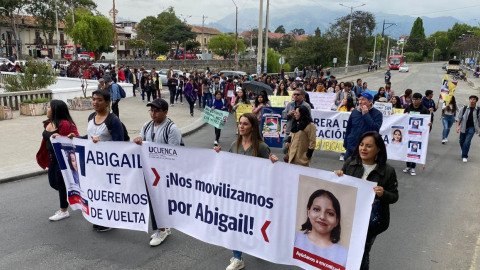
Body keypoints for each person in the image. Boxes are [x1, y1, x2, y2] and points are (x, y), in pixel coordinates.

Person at [213, 113, 278, 270]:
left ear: (253, 127)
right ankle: (237, 257)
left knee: (254, 225)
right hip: (237, 194)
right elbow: (227, 165)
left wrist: (274, 163)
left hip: (254, 195)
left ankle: (258, 245)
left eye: (245, 124)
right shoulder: (235, 144)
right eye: (240, 123)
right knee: (236, 225)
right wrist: (218, 155)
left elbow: (270, 173)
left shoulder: (261, 147)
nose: (241, 126)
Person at [334, 131, 399, 270]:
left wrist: (383, 193)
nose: (363, 149)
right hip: (347, 219)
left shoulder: (388, 171)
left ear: (378, 149)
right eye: (361, 145)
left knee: (361, 254)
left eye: (368, 146)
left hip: (370, 223)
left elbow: (394, 196)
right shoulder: (351, 162)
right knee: (342, 251)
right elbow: (340, 190)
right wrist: (338, 176)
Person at [65, 89, 124, 232]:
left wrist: (102, 144)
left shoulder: (113, 120)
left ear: (107, 102)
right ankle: (99, 217)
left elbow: (120, 146)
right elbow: (90, 136)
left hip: (107, 166)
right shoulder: (91, 116)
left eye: (99, 100)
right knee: (96, 192)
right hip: (92, 163)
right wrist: (76, 138)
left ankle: (110, 220)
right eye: (94, 99)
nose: (95, 102)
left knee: (107, 193)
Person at [133, 98, 182, 246]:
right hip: (150, 170)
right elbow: (142, 142)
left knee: (159, 201)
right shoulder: (146, 126)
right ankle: (164, 227)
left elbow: (175, 152)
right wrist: (138, 141)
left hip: (164, 172)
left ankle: (161, 229)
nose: (153, 114)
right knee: (154, 200)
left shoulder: (171, 129)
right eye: (151, 111)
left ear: (165, 112)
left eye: (157, 111)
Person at [36, 100, 79, 221]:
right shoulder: (49, 123)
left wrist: (63, 137)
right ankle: (73, 195)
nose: (46, 108)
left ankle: (63, 210)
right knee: (53, 183)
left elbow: (76, 137)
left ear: (55, 109)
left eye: (48, 107)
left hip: (63, 160)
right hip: (52, 159)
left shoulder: (65, 124)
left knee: (60, 183)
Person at [294, 189, 347, 267]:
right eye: (316, 209)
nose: (322, 217)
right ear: (308, 212)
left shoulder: (345, 255)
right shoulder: (294, 239)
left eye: (330, 213)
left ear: (337, 221)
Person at [344, 92, 383, 161]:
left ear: (370, 101)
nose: (360, 102)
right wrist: (346, 143)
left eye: (363, 100)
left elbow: (375, 129)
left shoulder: (377, 114)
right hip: (351, 146)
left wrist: (366, 114)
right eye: (359, 100)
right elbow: (348, 128)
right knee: (347, 168)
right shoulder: (355, 111)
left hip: (365, 149)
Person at [403, 93, 430, 175]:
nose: (414, 101)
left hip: (418, 134)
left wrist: (429, 125)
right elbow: (403, 118)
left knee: (415, 150)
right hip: (409, 132)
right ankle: (407, 166)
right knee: (407, 149)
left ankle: (413, 167)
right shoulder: (408, 108)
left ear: (420, 100)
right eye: (413, 99)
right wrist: (405, 115)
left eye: (416, 99)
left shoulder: (424, 109)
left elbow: (428, 121)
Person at [282, 89, 312, 154]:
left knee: (296, 152)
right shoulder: (290, 104)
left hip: (300, 132)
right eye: (294, 94)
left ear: (303, 96)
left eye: (297, 94)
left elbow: (308, 118)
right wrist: (289, 114)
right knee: (285, 149)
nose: (295, 96)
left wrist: (298, 115)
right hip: (289, 131)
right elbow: (283, 115)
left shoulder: (306, 106)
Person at [456, 95, 480, 163]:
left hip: (472, 128)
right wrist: (457, 127)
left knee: (467, 142)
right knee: (461, 141)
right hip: (463, 126)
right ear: (469, 100)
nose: (472, 101)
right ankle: (463, 149)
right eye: (471, 99)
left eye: (474, 99)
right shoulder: (464, 108)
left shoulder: (478, 110)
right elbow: (458, 118)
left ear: (476, 101)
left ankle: (464, 156)